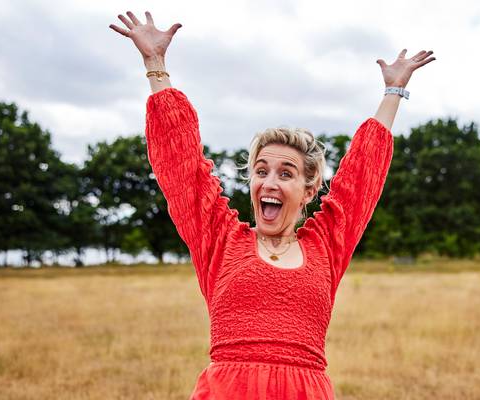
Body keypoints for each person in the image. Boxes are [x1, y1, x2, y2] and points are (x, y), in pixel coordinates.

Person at [110, 10, 435, 400]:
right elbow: (183, 170)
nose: (270, 182)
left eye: (286, 173)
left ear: (309, 189)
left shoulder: (326, 245)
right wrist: (155, 66)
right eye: (261, 170)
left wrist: (392, 93)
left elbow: (360, 179)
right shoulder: (220, 239)